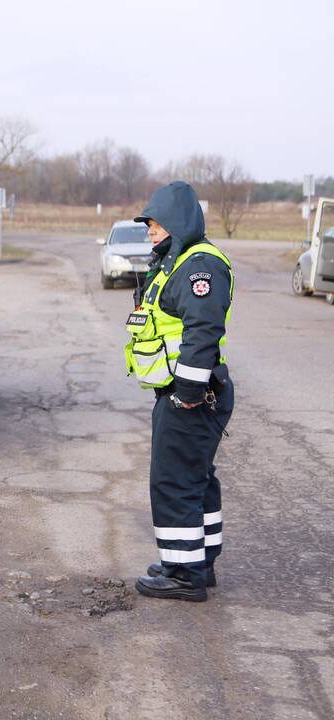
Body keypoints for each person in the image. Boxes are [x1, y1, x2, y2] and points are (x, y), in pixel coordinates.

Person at [125, 181, 234, 603]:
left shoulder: (198, 266)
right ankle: (196, 562)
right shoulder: (176, 261)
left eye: (155, 224)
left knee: (174, 481)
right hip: (186, 393)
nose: (150, 231)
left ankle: (183, 574)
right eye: (148, 225)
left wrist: (187, 391)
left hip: (190, 394)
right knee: (195, 479)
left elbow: (203, 329)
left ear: (178, 222)